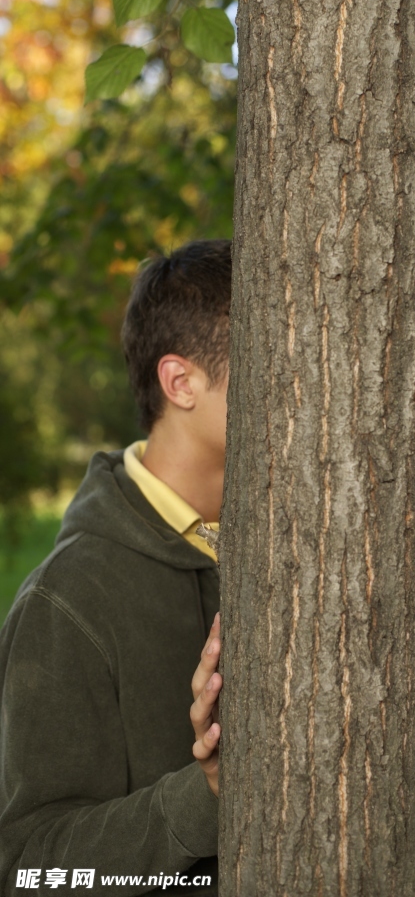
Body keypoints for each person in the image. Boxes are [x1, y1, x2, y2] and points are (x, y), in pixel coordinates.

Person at [0, 240, 231, 895]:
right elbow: (26, 866)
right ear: (180, 382)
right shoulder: (67, 598)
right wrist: (204, 794)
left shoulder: (304, 546)